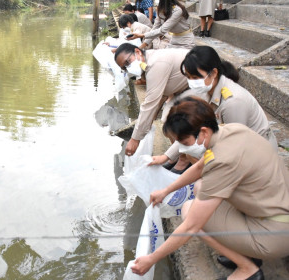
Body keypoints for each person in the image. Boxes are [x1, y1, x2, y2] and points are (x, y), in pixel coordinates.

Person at [131, 97, 289, 280]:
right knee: (200, 187)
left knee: (189, 211)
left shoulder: (222, 161)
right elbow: (200, 167)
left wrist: (151, 259)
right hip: (275, 212)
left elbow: (191, 226)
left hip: (275, 235)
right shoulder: (232, 130)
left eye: (184, 141)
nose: (182, 148)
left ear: (203, 132)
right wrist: (165, 191)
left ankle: (248, 269)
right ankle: (247, 253)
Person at [149, 45, 278, 170]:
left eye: (195, 77)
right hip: (231, 142)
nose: (191, 82)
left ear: (213, 73)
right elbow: (189, 128)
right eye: (188, 77)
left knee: (198, 157)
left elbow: (236, 145)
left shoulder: (232, 102)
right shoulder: (205, 90)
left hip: (255, 153)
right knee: (192, 151)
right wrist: (165, 156)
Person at [114, 43, 192, 157]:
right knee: (166, 119)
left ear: (138, 52)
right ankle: (181, 156)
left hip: (198, 85)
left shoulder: (156, 63)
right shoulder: (147, 63)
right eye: (124, 68)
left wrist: (135, 139)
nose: (128, 68)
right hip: (182, 89)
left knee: (171, 121)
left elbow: (150, 103)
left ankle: (185, 158)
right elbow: (159, 97)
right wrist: (148, 121)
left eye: (128, 62)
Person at [127, 0, 195, 50]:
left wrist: (142, 35)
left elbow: (163, 30)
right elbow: (155, 27)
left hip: (186, 41)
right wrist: (141, 47)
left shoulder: (177, 10)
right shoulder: (160, 9)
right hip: (173, 40)